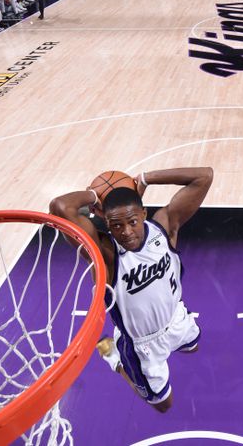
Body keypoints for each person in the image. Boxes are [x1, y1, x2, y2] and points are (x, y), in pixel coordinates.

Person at [49, 166, 214, 413]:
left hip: (176, 319)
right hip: (141, 347)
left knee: (194, 347)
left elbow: (204, 176)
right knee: (163, 405)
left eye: (133, 222)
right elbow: (60, 207)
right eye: (115, 226)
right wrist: (95, 196)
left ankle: (166, 345)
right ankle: (114, 359)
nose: (126, 232)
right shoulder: (106, 255)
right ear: (105, 221)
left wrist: (145, 178)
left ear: (144, 213)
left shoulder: (164, 227)